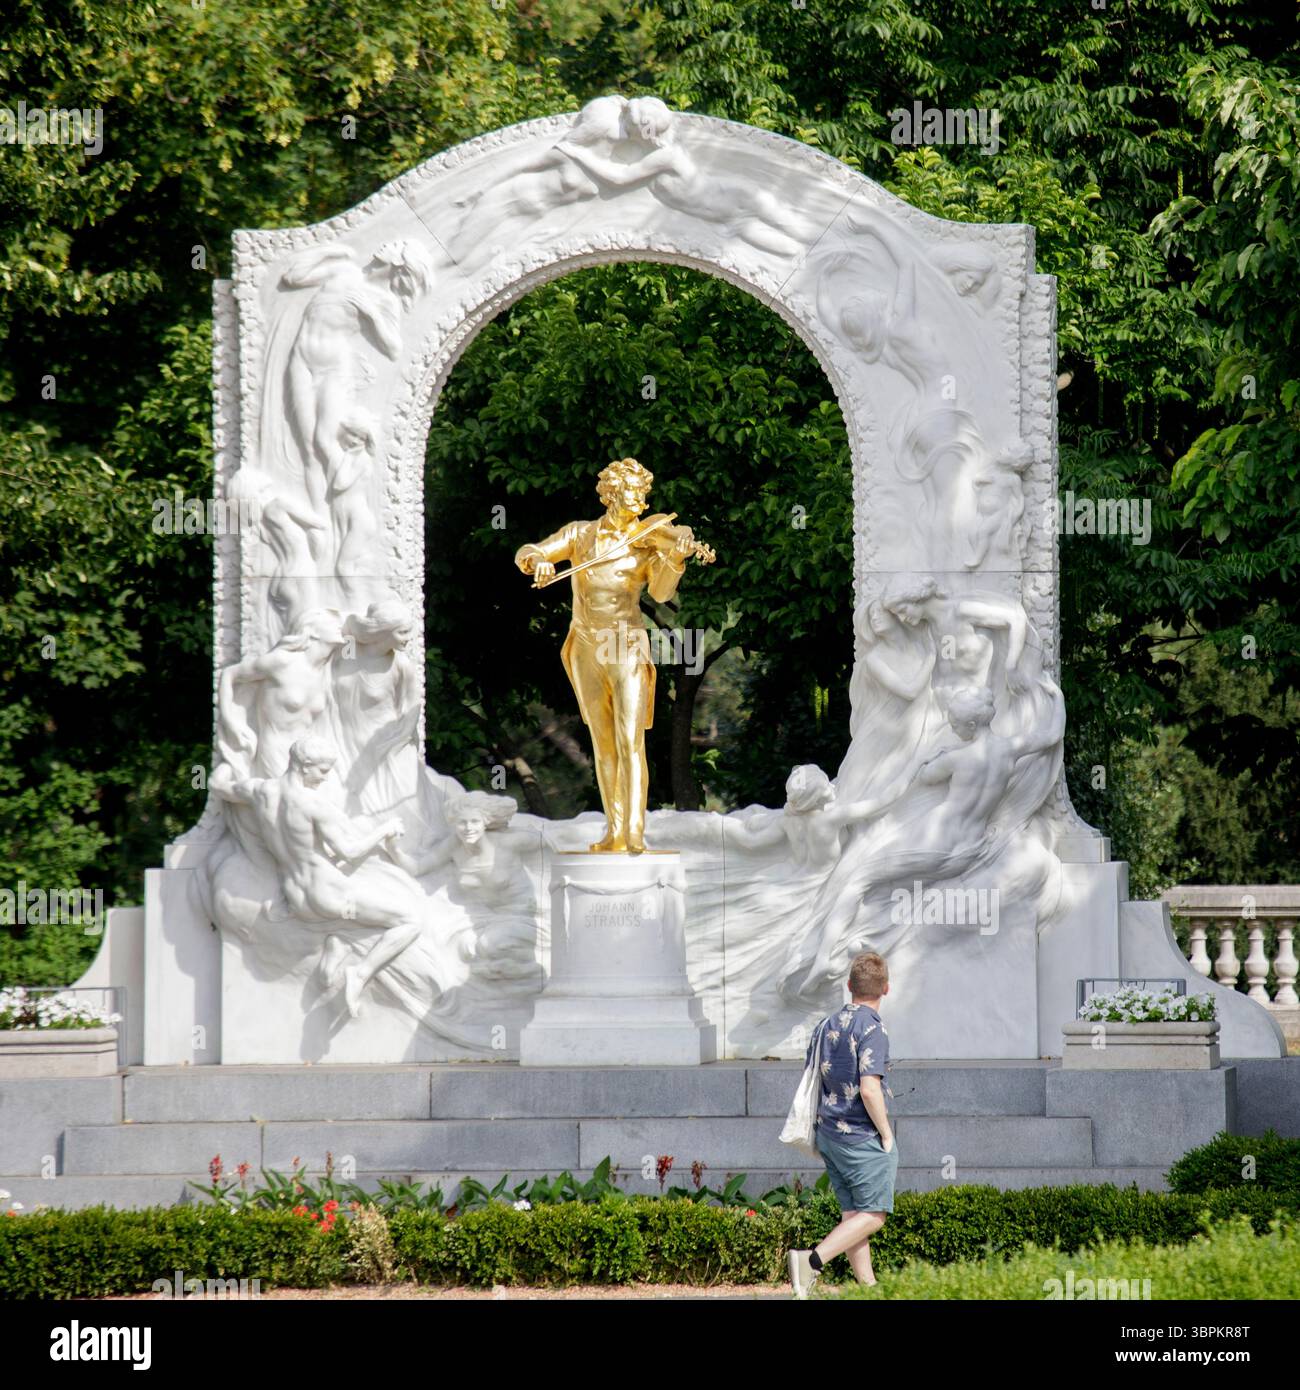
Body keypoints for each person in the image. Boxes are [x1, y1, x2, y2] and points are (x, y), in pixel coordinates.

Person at [788, 951, 897, 1298]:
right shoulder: (874, 1029)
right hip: (860, 1136)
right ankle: (811, 1262)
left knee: (853, 1216)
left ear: (849, 986)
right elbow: (869, 1088)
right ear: (886, 989)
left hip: (828, 1134)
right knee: (875, 1215)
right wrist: (887, 1133)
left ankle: (869, 1288)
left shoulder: (825, 1025)